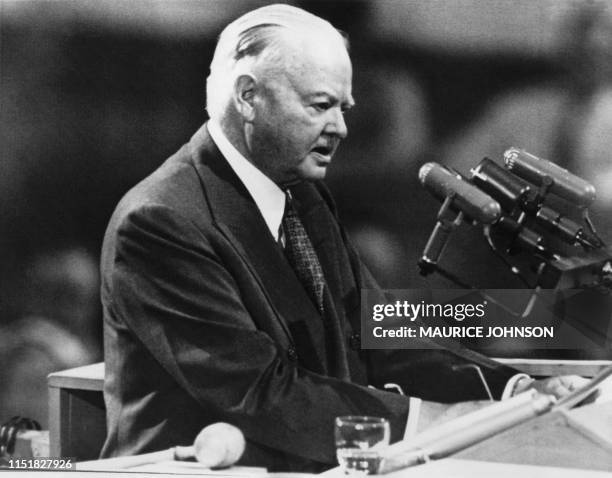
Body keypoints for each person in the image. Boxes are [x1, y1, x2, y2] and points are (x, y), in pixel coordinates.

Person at [100, 4, 586, 472]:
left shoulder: (302, 195)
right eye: (321, 106)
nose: (341, 127)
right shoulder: (160, 221)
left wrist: (512, 390)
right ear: (248, 96)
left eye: (344, 107)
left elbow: (380, 333)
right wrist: (439, 421)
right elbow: (262, 395)